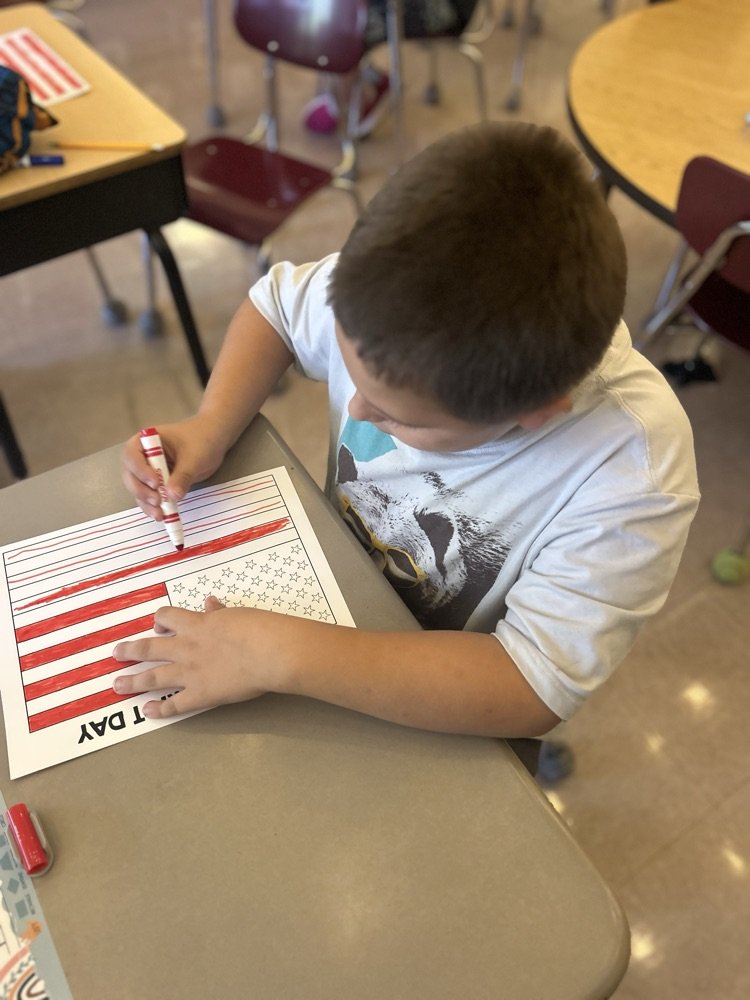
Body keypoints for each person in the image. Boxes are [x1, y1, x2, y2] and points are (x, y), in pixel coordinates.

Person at [115, 122, 699, 753]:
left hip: (448, 698)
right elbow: (276, 312)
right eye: (348, 367)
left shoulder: (634, 472)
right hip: (333, 596)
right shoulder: (392, 292)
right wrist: (211, 424)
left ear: (534, 413)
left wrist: (279, 653)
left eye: (403, 419)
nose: (357, 411)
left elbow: (531, 685)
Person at [304, 0, 480, 137]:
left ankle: (355, 99)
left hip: (444, 6)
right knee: (325, 11)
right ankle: (358, 86)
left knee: (342, 22)